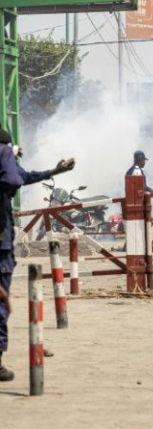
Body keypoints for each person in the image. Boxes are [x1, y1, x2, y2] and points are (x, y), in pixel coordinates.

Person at [0, 129, 75, 382]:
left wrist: (54, 172)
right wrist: (7, 155)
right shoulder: (4, 156)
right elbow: (13, 179)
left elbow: (24, 175)